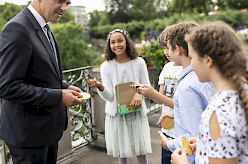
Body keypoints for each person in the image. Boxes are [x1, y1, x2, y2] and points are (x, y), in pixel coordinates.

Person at [0, 0, 83, 164]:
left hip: (46, 133)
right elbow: (7, 87)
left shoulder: (44, 26)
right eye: (59, 0)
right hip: (27, 138)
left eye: (67, 3)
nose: (64, 8)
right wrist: (59, 96)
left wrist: (65, 87)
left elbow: (39, 75)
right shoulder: (17, 29)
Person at [171, 21, 248, 164]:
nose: (191, 63)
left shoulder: (218, 112)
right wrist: (205, 145)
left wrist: (181, 163)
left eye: (192, 57)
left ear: (207, 60)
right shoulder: (247, 93)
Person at [86, 29, 152, 164]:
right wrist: (99, 86)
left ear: (127, 42)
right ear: (109, 45)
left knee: (141, 150)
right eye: (113, 42)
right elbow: (110, 97)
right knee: (122, 152)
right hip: (117, 115)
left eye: (120, 41)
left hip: (136, 113)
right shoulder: (106, 66)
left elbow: (147, 86)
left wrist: (139, 95)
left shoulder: (139, 62)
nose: (117, 45)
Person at [157, 21, 215, 164]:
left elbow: (193, 137)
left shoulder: (187, 87)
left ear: (178, 49)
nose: (167, 52)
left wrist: (168, 144)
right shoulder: (206, 76)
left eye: (168, 48)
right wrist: (178, 113)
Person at [131, 27, 183, 164]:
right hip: (166, 131)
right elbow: (160, 99)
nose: (166, 52)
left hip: (181, 133)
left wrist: (152, 93)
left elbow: (180, 105)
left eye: (168, 47)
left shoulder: (188, 70)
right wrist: (145, 92)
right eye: (163, 47)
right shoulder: (167, 68)